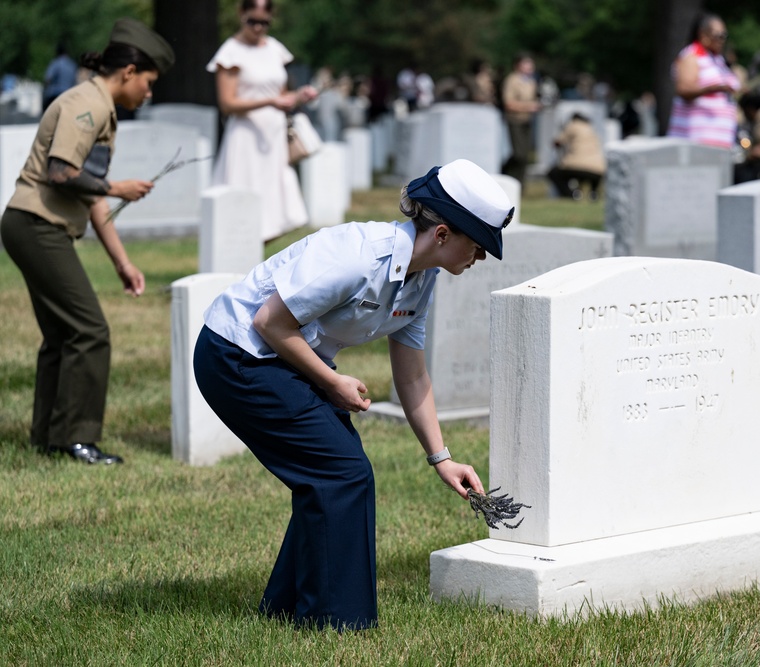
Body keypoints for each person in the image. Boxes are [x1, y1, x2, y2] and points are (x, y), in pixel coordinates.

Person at [192, 158, 512, 631]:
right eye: (478, 245)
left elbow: (412, 376)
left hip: (282, 356)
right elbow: (268, 322)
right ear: (442, 234)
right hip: (237, 354)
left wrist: (441, 457)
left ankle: (285, 610)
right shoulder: (359, 256)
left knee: (336, 469)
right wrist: (330, 380)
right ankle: (334, 623)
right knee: (342, 471)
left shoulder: (421, 279)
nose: (480, 257)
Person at [0, 19, 174, 465]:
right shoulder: (87, 104)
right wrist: (119, 188)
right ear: (130, 71)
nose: (148, 94)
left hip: (36, 225)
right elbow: (61, 172)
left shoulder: (101, 109)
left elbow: (87, 193)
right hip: (36, 225)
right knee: (90, 331)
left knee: (62, 334)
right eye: (149, 83)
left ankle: (49, 437)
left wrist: (122, 262)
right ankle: (78, 439)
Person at [207, 0, 318, 243]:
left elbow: (282, 95)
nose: (258, 28)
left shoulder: (275, 49)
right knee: (243, 203)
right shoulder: (231, 52)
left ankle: (254, 255)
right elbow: (227, 103)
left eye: (264, 23)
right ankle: (240, 253)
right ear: (241, 14)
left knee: (275, 207)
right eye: (252, 21)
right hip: (246, 135)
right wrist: (269, 102)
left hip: (273, 135)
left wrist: (300, 96)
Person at [666, 12, 741, 149]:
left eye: (725, 35)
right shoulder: (692, 55)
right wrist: (714, 88)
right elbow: (683, 89)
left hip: (719, 145)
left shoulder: (717, 59)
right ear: (703, 34)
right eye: (719, 35)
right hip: (694, 144)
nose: (723, 39)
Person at [501, 53, 540, 186]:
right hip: (515, 120)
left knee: (525, 156)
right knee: (518, 154)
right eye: (526, 63)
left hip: (527, 121)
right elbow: (509, 103)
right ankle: (505, 173)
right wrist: (529, 107)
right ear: (518, 65)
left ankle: (520, 185)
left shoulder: (531, 81)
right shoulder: (512, 80)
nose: (530, 66)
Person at [547, 113, 606, 200]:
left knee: (553, 173)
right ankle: (593, 193)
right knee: (591, 173)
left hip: (576, 165)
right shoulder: (592, 129)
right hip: (599, 168)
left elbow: (558, 141)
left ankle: (572, 195)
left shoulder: (573, 125)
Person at [42, 44, 78, 111]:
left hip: (55, 95)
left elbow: (48, 79)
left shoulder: (55, 63)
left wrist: (45, 90)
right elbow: (75, 80)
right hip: (69, 96)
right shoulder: (72, 64)